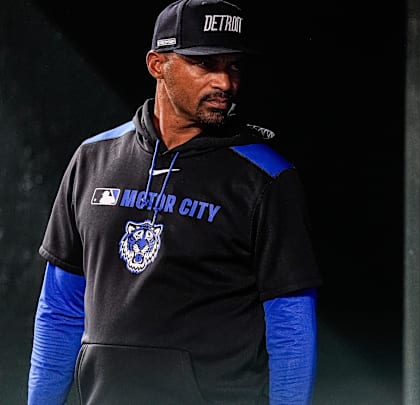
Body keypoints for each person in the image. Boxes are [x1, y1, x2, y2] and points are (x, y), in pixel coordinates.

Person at [27, 1, 322, 404]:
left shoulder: (267, 178)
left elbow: (291, 326)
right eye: (206, 64)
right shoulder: (93, 159)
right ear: (157, 64)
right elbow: (59, 308)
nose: (225, 82)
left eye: (233, 66)